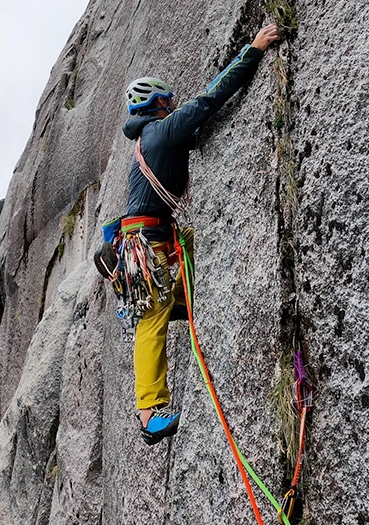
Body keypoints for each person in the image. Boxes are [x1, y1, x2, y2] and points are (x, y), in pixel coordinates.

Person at [120, 23, 281, 445]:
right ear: (157, 103)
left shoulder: (150, 139)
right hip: (147, 241)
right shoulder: (161, 130)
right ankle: (148, 411)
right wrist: (254, 50)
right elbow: (208, 100)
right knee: (151, 317)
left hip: (149, 237)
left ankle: (184, 306)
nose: (174, 103)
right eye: (167, 99)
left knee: (182, 281)